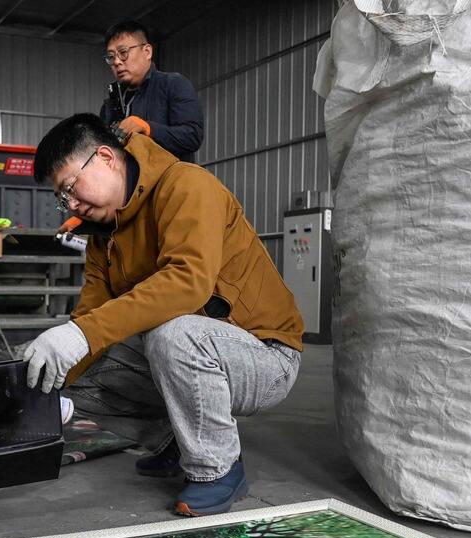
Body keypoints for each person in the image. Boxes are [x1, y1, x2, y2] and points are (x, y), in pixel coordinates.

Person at [23, 114, 304, 516]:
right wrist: (45, 382)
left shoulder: (186, 185)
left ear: (104, 157)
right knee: (64, 367)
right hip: (188, 352)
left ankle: (219, 468)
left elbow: (187, 283)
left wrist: (82, 334)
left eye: (70, 188)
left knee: (172, 334)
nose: (70, 204)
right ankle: (175, 439)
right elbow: (93, 316)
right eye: (62, 198)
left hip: (264, 355)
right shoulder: (104, 237)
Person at [99, 20, 204, 163]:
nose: (117, 62)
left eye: (123, 52)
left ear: (147, 51)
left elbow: (192, 137)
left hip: (170, 183)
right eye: (111, 57)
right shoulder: (109, 106)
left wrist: (147, 128)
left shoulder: (173, 84)